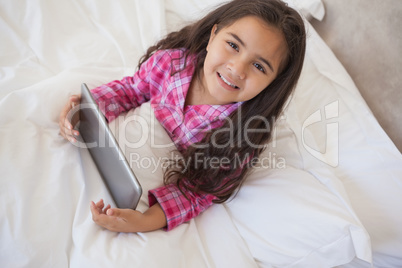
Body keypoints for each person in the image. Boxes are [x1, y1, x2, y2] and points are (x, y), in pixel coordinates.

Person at [59, 0, 306, 233]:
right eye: (233, 45)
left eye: (259, 66)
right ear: (213, 36)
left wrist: (146, 220)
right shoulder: (171, 63)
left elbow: (196, 193)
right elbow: (133, 88)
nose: (237, 69)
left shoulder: (242, 136)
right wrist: (89, 107)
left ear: (273, 83)